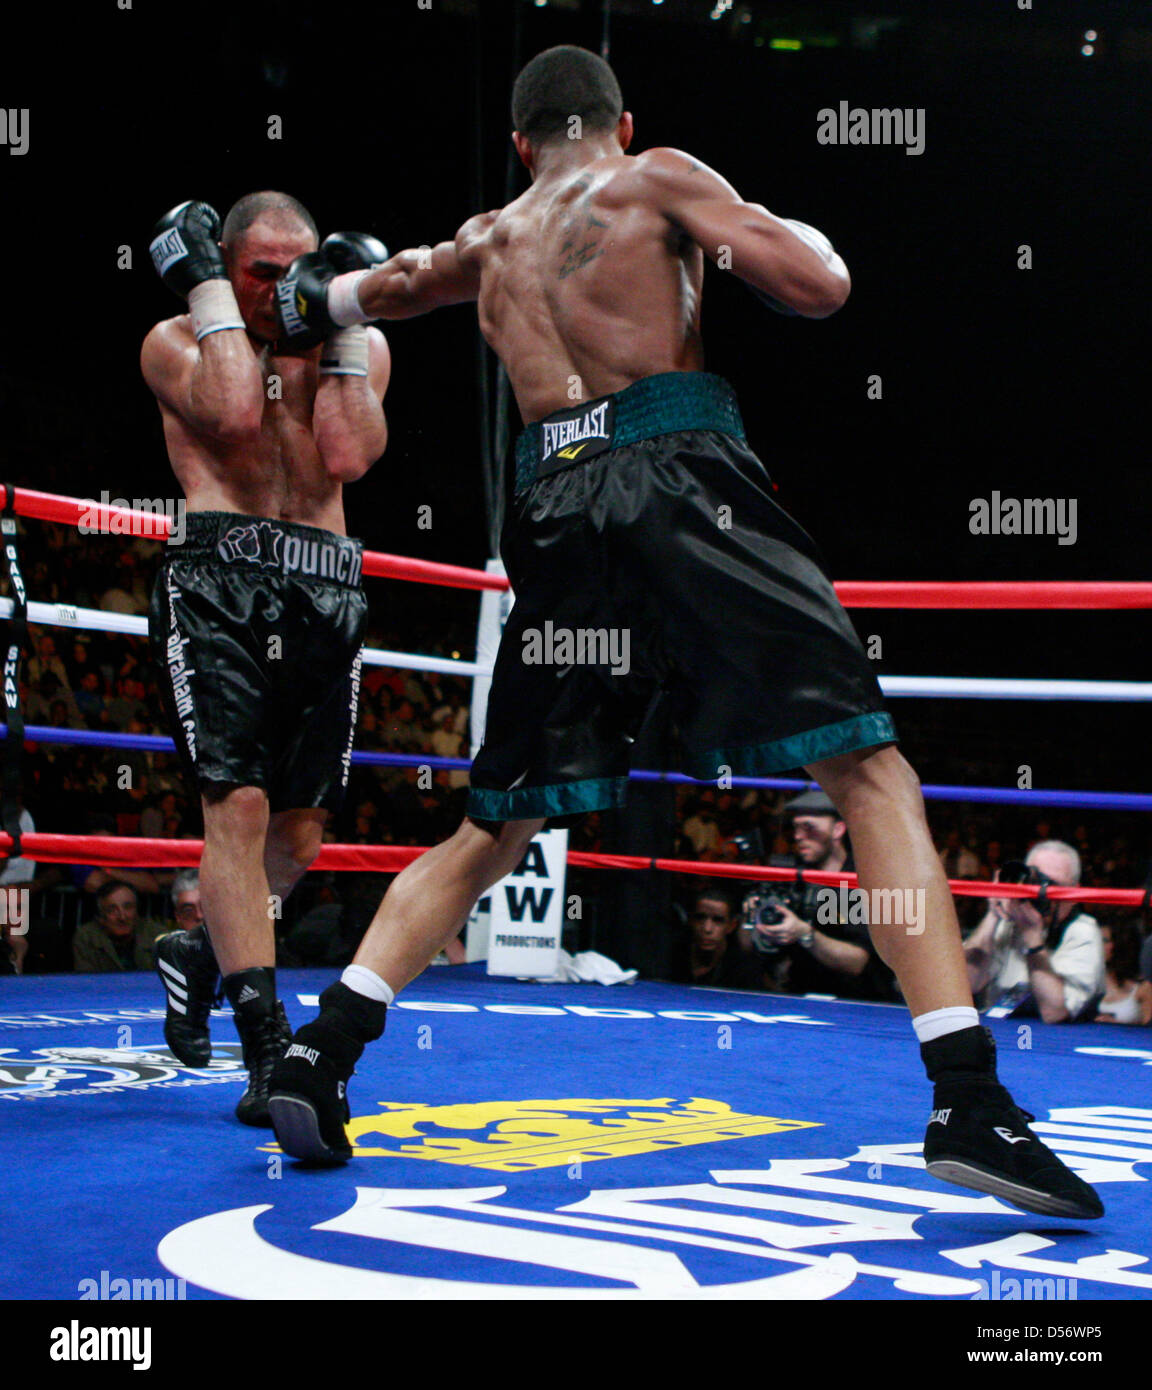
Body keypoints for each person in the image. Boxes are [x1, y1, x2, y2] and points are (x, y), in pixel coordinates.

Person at [267, 47, 1102, 1220]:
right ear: (618, 122)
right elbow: (819, 286)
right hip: (678, 484)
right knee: (866, 766)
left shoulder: (491, 238)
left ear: (520, 144)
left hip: (549, 511)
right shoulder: (653, 179)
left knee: (495, 819)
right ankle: (966, 1094)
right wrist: (770, 232)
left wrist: (316, 300)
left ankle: (324, 1050)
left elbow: (388, 285)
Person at [141, 191, 389, 1122]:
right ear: (222, 264)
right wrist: (209, 295)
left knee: (300, 838)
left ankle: (200, 954)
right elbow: (238, 414)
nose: (283, 288)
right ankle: (264, 1049)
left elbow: (350, 455)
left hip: (326, 591)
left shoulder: (341, 346)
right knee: (237, 808)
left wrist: (346, 324)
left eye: (301, 269)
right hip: (219, 583)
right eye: (259, 272)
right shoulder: (174, 340)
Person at [743, 789, 897, 1001]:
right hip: (797, 996)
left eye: (809, 828)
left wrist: (803, 933)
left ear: (837, 830)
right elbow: (750, 947)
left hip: (857, 1002)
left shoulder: (862, 879)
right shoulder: (791, 873)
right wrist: (755, 918)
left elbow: (857, 962)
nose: (798, 836)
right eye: (796, 828)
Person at [964, 841, 1106, 1024]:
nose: (1041, 892)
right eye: (1035, 882)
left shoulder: (1082, 931)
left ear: (1074, 893)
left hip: (1054, 1044)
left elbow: (1054, 1013)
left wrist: (1032, 936)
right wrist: (992, 915)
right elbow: (963, 986)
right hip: (998, 1032)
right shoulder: (1009, 919)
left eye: (1052, 885)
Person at [673, 888, 763, 990]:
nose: (707, 929)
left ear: (731, 926)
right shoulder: (669, 955)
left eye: (718, 920)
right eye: (700, 918)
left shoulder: (744, 968)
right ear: (690, 920)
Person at [72, 881, 168, 973]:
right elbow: (86, 981)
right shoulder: (86, 937)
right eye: (112, 910)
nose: (122, 917)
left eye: (128, 907)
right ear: (100, 917)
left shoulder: (158, 935)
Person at [1093, 920, 1151, 1025]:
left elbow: (1148, 1031)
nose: (1097, 945)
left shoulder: (1143, 987)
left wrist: (1118, 1024)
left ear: (1119, 946)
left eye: (1104, 940)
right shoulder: (1090, 981)